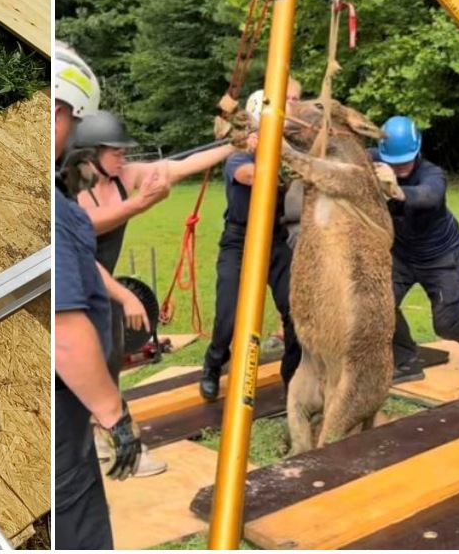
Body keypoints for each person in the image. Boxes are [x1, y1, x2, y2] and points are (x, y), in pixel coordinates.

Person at [71, 111, 246, 476]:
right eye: (115, 151)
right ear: (91, 154)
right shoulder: (73, 193)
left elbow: (177, 167)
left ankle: (101, 440)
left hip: (98, 288)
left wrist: (232, 146)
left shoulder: (122, 177)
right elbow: (86, 247)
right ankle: (124, 449)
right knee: (93, 366)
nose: (124, 157)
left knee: (108, 362)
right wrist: (126, 296)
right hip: (76, 285)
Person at [53, 42, 140, 549]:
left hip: (72, 381)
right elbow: (66, 335)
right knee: (78, 516)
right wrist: (115, 415)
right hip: (66, 390)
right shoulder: (66, 204)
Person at [370, 116, 459, 383]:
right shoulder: (375, 159)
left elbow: (429, 196)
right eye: (394, 163)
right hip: (402, 256)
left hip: (442, 257)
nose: (401, 166)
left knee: (446, 322)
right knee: (379, 305)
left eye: (406, 160)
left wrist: (394, 188)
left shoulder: (433, 174)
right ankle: (406, 361)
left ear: (418, 149)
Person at [201, 80, 302, 401]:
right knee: (229, 316)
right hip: (239, 240)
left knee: (294, 310)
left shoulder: (288, 154)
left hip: (275, 240)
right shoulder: (238, 157)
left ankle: (293, 375)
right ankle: (214, 364)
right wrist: (264, 151)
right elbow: (256, 177)